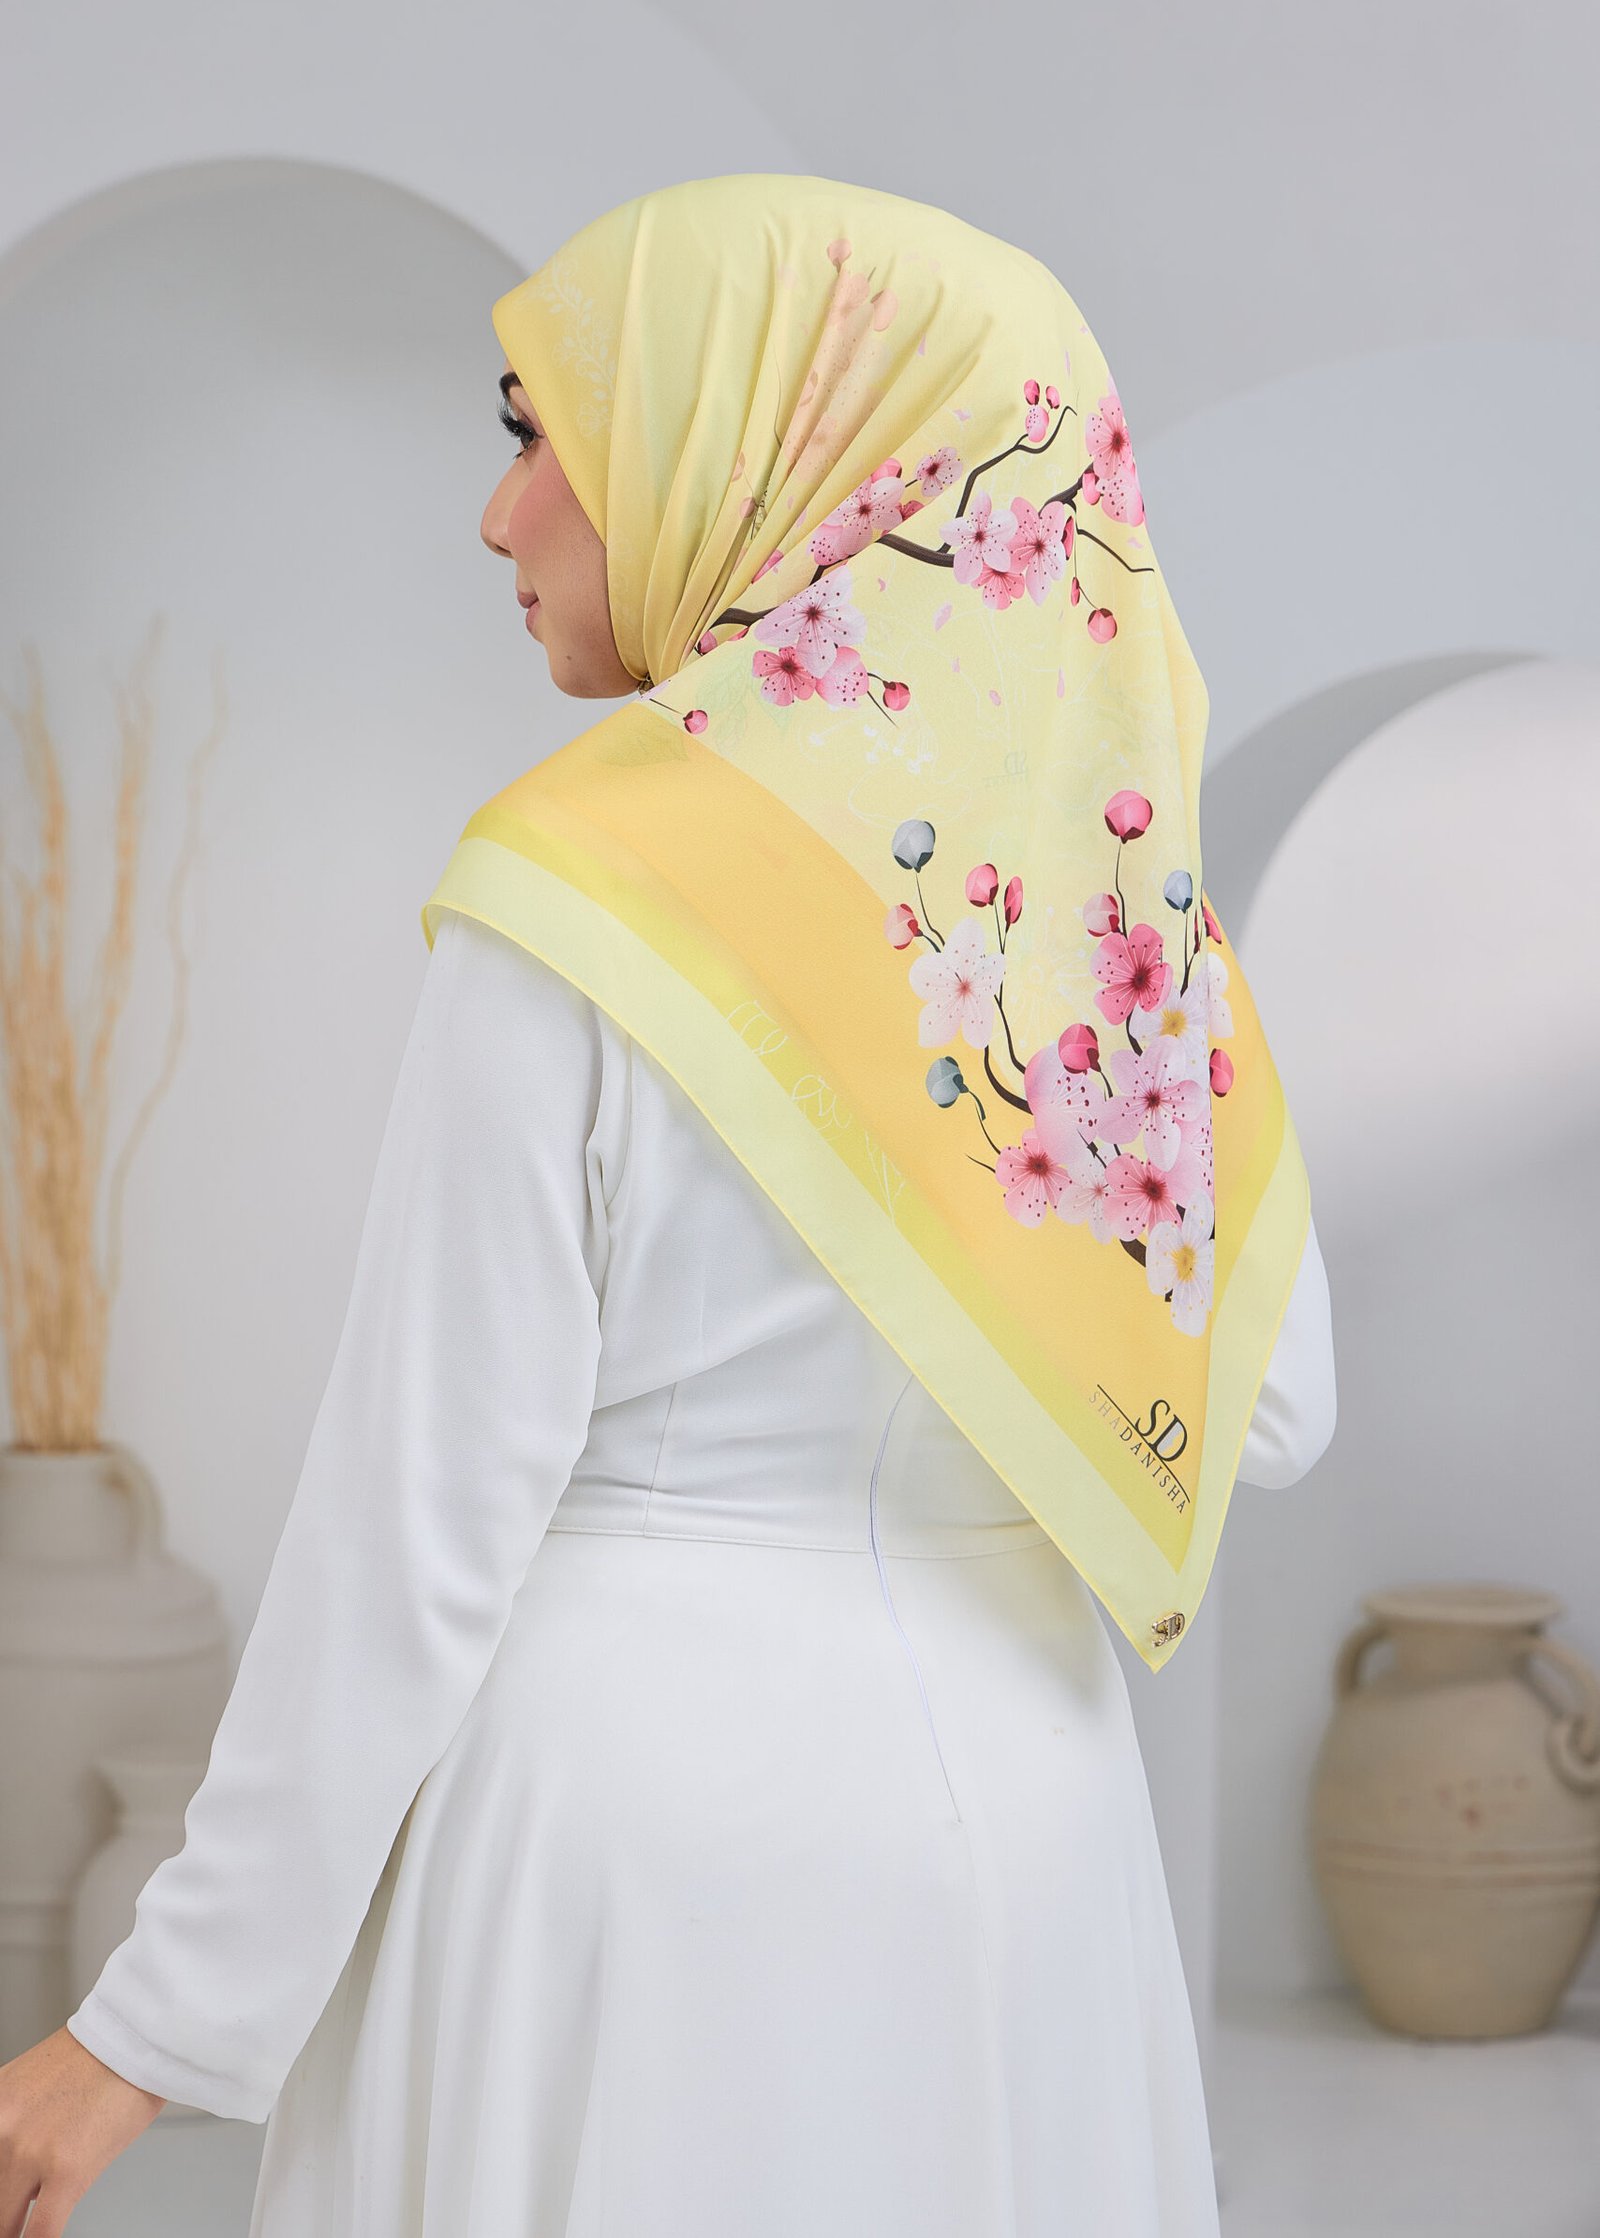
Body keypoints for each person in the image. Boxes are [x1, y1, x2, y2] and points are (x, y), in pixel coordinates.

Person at [3, 173, 1336, 2236]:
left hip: (627, 1857)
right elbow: (1272, 1409)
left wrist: (144, 2031)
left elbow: (412, 1527)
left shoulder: (582, 883)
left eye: (542, 433)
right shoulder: (1104, 925)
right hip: (1025, 1837)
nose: (500, 514)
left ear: (753, 445)